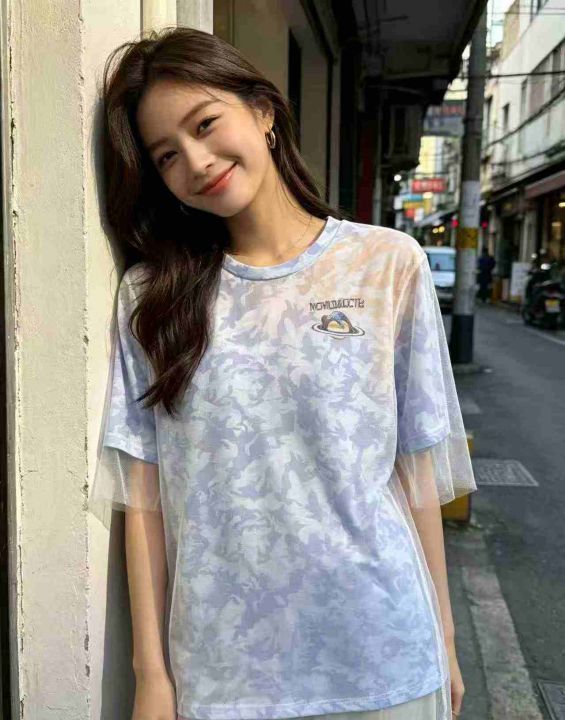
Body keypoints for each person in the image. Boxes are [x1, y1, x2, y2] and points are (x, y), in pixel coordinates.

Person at [88, 26, 477, 720]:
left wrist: (444, 641)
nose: (197, 161)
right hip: (223, 672)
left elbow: (415, 474)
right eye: (167, 155)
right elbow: (142, 498)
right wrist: (151, 675)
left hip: (382, 651)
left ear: (263, 111)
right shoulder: (154, 297)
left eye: (205, 124)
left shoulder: (387, 264)